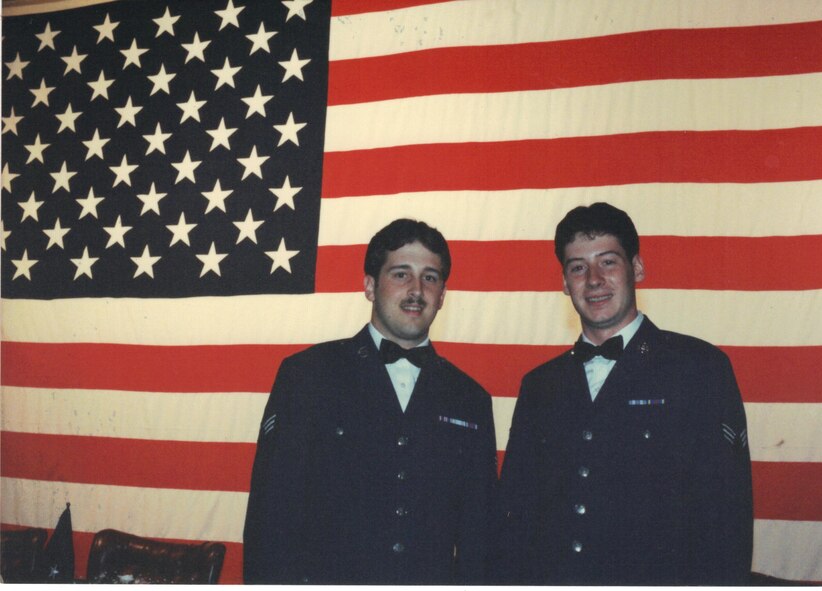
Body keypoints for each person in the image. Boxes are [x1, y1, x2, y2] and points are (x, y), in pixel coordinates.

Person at [492, 202, 753, 585]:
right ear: (565, 284)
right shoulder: (540, 385)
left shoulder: (698, 368)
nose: (594, 279)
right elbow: (513, 517)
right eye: (578, 267)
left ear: (638, 268)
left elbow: (727, 520)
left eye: (608, 262)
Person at [243, 218, 497, 584]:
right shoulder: (308, 376)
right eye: (400, 274)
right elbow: (271, 520)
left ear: (442, 295)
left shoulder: (469, 399)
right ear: (369, 285)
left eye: (430, 277)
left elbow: (480, 540)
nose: (416, 290)